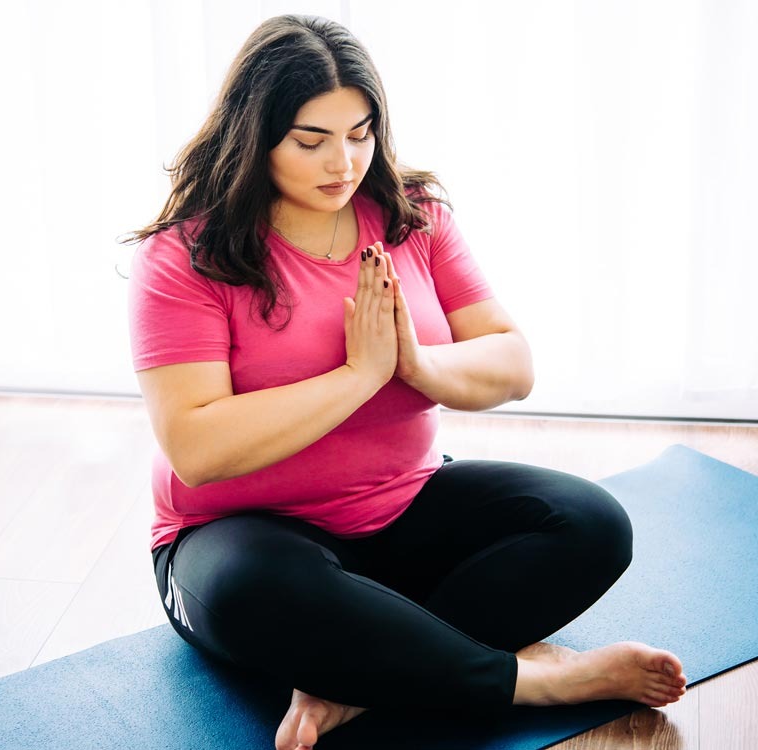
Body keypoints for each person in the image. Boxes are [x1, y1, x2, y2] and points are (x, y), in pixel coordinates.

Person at [122, 14, 687, 750]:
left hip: (401, 508)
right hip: (240, 540)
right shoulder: (186, 256)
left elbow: (513, 364)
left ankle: (354, 680)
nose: (343, 162)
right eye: (311, 140)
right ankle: (535, 679)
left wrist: (417, 364)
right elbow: (196, 446)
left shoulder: (410, 216)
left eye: (360, 133)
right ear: (253, 135)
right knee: (253, 595)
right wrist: (360, 375)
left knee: (591, 524)